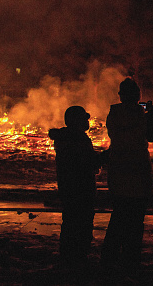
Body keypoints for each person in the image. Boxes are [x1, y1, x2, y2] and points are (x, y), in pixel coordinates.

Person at [101, 78, 153, 273]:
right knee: (135, 221)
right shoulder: (141, 115)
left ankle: (108, 259)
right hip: (138, 173)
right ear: (137, 96)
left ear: (120, 95)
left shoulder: (113, 114)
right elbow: (152, 137)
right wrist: (152, 115)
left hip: (118, 172)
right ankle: (130, 260)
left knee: (118, 218)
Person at [48, 106, 101, 269]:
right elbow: (87, 162)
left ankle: (68, 259)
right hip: (81, 189)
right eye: (85, 118)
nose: (87, 121)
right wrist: (109, 155)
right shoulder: (78, 138)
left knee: (70, 224)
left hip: (68, 188)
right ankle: (77, 262)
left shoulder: (64, 137)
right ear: (77, 121)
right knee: (82, 226)